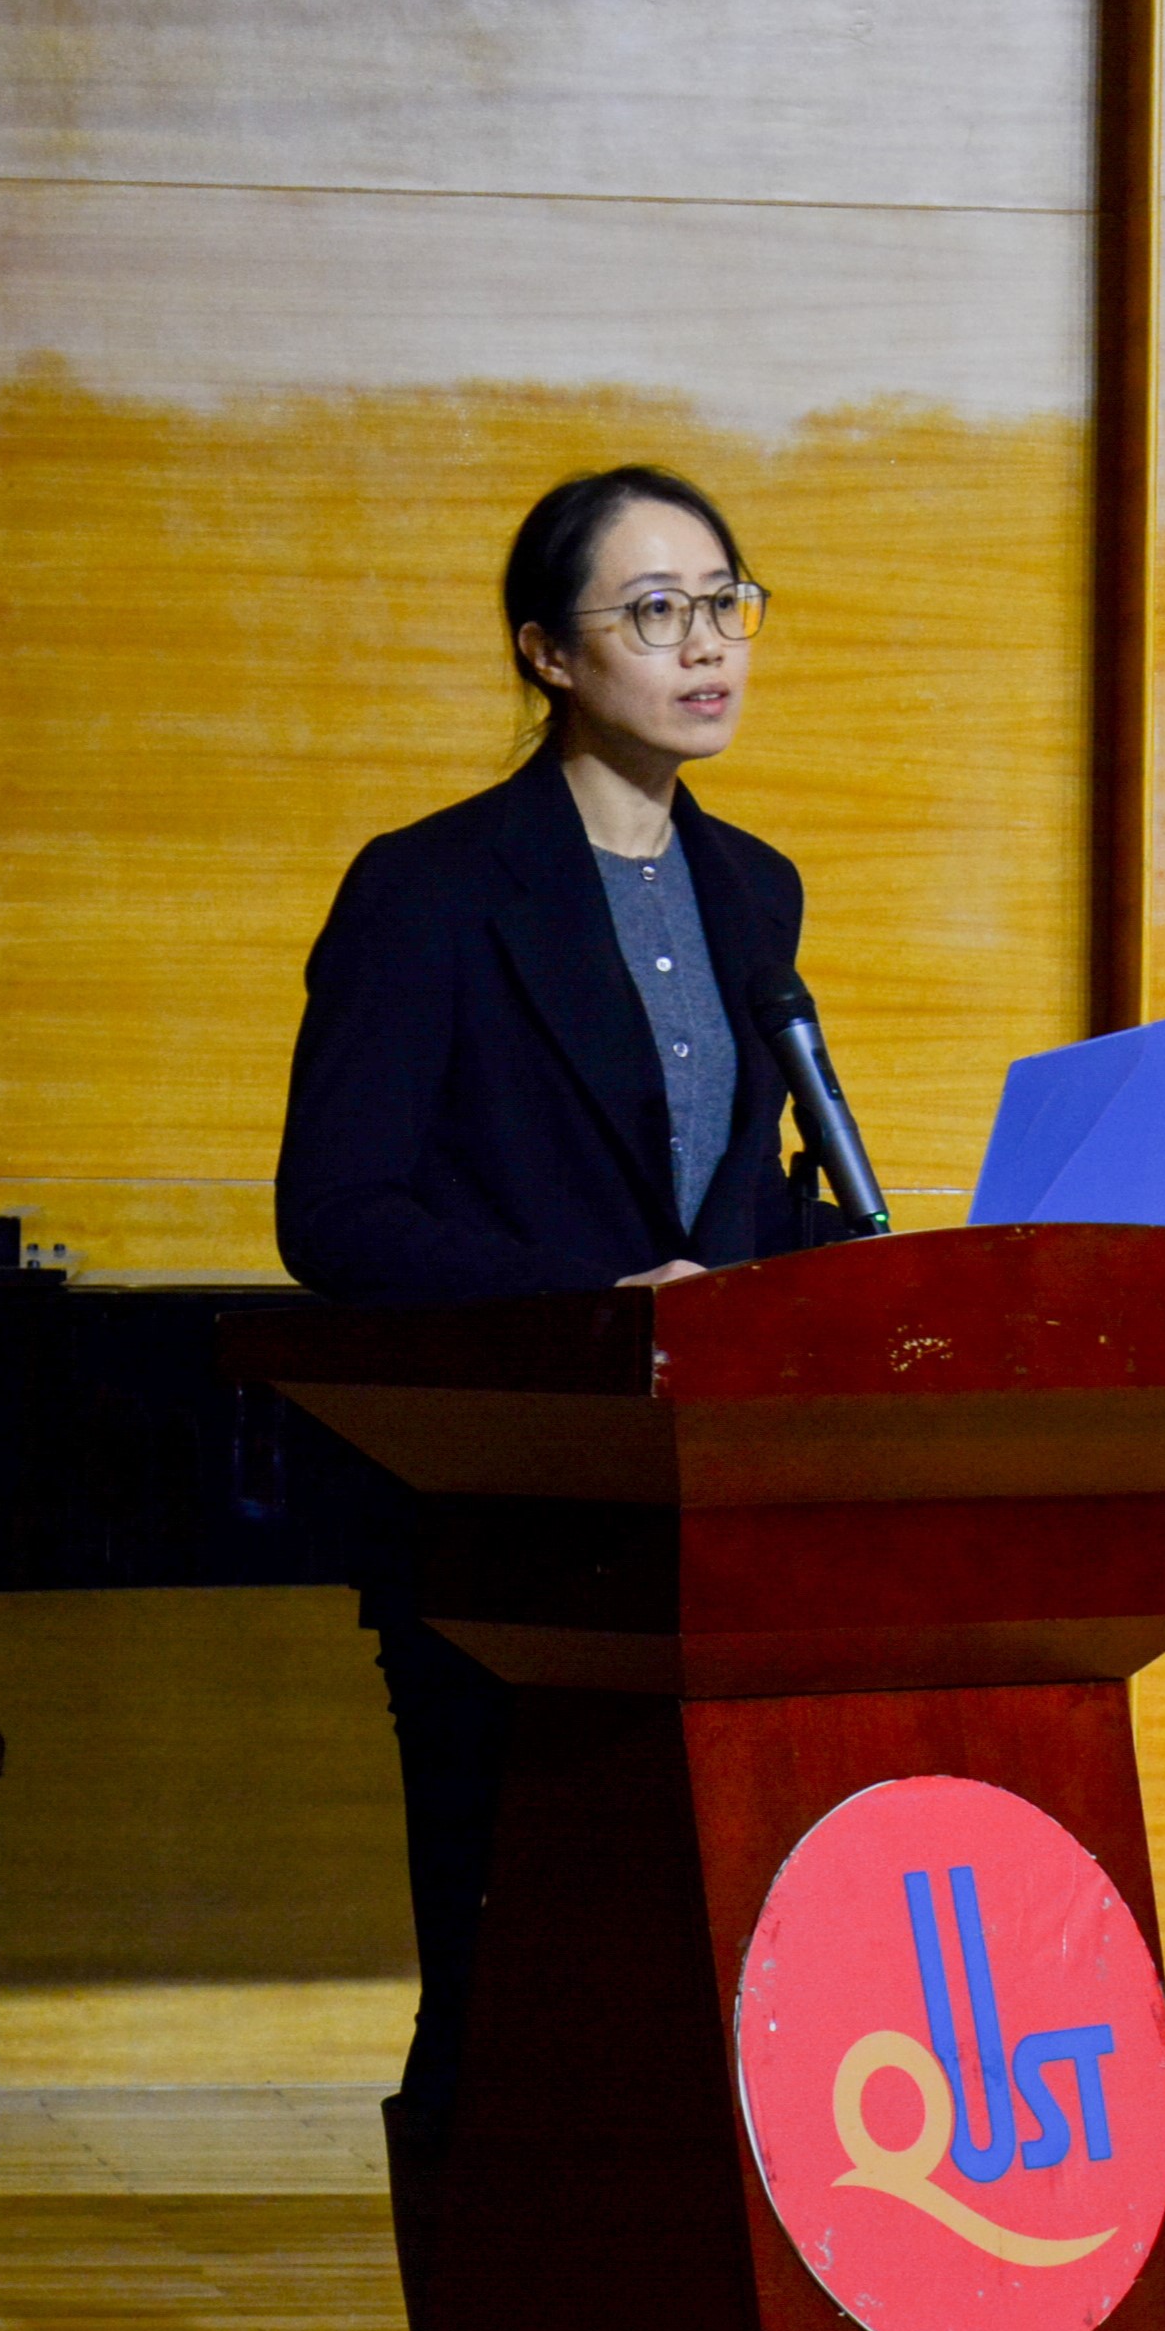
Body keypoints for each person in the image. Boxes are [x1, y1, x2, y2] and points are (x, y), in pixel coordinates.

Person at [274, 464, 859, 2151]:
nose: (707, 647)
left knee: (704, 1980)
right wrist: (594, 1302)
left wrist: (881, 1261)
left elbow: (739, 1215)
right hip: (509, 1513)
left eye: (725, 605)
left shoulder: (754, 889)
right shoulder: (430, 888)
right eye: (656, 613)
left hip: (707, 1519)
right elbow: (340, 1217)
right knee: (507, 1981)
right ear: (547, 652)